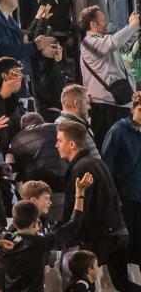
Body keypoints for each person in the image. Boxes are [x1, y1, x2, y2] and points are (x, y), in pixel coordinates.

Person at [55, 120, 136, 292]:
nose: (56, 145)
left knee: (80, 282)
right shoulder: (96, 163)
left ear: (71, 144)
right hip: (119, 232)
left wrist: (64, 231)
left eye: (59, 141)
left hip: (99, 235)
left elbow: (79, 207)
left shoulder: (80, 168)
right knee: (122, 283)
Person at [77, 6, 139, 144]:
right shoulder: (88, 42)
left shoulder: (103, 40)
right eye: (103, 20)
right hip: (104, 107)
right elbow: (114, 42)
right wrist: (132, 25)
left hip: (118, 103)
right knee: (107, 147)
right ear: (93, 24)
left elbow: (123, 44)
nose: (107, 23)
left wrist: (135, 28)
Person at [100, 91, 141, 273]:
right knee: (128, 240)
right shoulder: (118, 131)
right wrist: (113, 196)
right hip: (126, 195)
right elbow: (106, 164)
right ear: (133, 109)